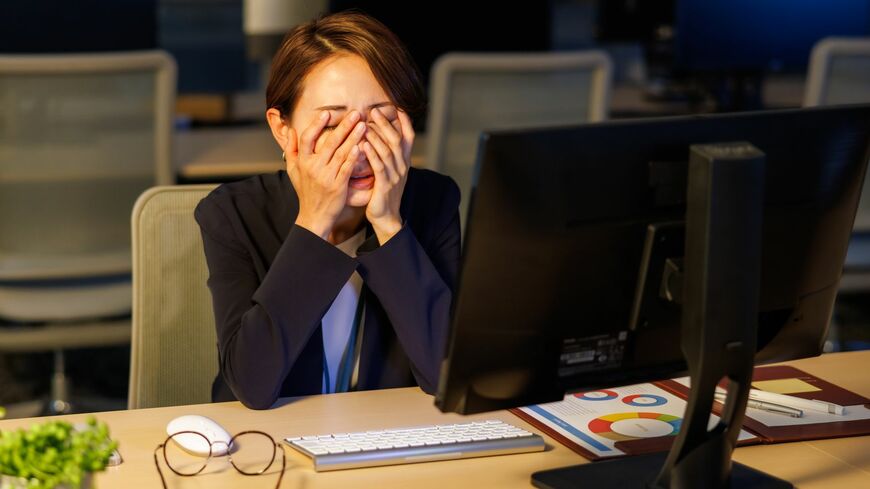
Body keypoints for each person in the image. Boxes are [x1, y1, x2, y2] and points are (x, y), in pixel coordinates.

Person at [194, 11, 460, 409]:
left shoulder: (434, 201)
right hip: (271, 447)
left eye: (383, 119)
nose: (359, 147)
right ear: (282, 129)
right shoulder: (232, 214)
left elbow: (448, 377)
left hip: (389, 442)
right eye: (333, 125)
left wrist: (389, 224)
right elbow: (252, 386)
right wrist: (314, 224)